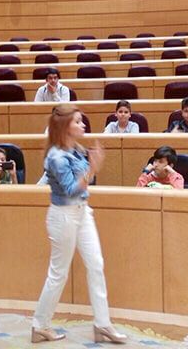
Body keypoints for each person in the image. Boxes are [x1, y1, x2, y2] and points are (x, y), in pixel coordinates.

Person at [32, 104, 126, 344]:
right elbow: (71, 189)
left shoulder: (76, 149)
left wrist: (91, 167)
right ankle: (40, 325)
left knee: (96, 264)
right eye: (78, 121)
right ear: (66, 126)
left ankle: (102, 324)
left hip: (83, 212)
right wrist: (93, 167)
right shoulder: (56, 156)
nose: (83, 125)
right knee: (58, 273)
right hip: (63, 215)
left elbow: (85, 181)